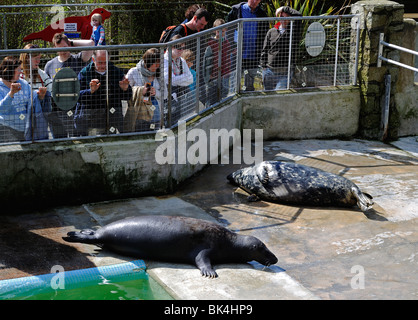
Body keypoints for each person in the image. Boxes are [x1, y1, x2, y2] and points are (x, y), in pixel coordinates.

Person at [44, 33, 95, 138]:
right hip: (58, 108)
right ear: (54, 48)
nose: (63, 51)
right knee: (59, 138)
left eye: (65, 47)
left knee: (77, 137)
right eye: (59, 48)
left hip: (76, 106)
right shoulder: (49, 65)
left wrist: (71, 42)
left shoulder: (78, 59)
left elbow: (91, 44)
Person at [75, 50, 132, 136]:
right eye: (100, 62)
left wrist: (125, 89)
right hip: (90, 119)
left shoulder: (116, 71)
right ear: (93, 60)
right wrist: (90, 91)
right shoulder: (85, 73)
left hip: (112, 118)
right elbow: (76, 96)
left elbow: (128, 96)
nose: (103, 66)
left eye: (105, 62)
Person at [0, 56, 51, 142]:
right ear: (9, 70)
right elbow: (2, 109)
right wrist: (11, 94)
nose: (21, 73)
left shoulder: (23, 83)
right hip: (7, 129)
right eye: (19, 70)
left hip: (26, 129)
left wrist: (41, 97)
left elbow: (32, 103)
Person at [227, 0, 268, 91]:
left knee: (249, 84)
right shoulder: (236, 11)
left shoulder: (262, 14)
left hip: (253, 53)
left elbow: (265, 34)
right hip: (237, 52)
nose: (254, 1)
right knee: (235, 82)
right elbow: (228, 30)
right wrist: (232, 47)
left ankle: (248, 102)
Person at [260, 6, 302, 90]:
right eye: (282, 17)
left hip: (285, 72)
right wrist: (263, 66)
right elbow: (265, 50)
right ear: (279, 17)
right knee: (267, 94)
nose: (284, 19)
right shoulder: (271, 31)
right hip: (270, 70)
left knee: (279, 93)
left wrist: (283, 8)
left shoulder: (293, 32)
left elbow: (299, 16)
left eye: (287, 17)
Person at [125, 48, 166, 132]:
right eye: (155, 63)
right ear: (148, 62)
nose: (157, 66)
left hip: (156, 115)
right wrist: (140, 91)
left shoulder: (159, 73)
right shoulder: (134, 72)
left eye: (159, 63)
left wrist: (156, 93)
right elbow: (125, 92)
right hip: (139, 115)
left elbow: (165, 94)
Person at [164, 35, 193, 124]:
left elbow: (190, 79)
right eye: (179, 48)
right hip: (166, 97)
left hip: (179, 97)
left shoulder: (181, 60)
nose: (181, 51)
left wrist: (177, 79)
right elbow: (169, 80)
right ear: (171, 47)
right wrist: (183, 77)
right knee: (168, 121)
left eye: (183, 48)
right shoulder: (164, 60)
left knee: (178, 119)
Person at [205, 19, 232, 106]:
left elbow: (227, 59)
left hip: (224, 74)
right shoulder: (210, 42)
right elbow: (208, 60)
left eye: (222, 31)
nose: (220, 33)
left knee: (223, 96)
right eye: (218, 31)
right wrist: (210, 73)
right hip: (213, 75)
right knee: (211, 97)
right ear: (214, 30)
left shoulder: (227, 43)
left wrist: (227, 72)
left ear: (226, 31)